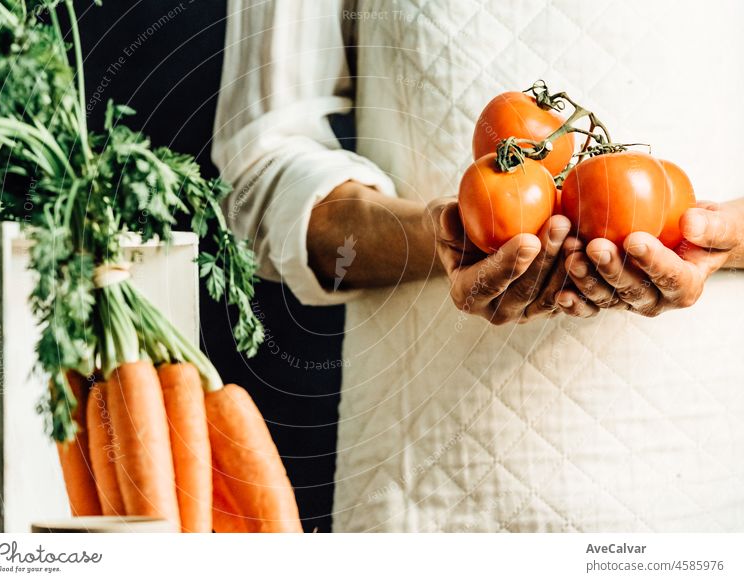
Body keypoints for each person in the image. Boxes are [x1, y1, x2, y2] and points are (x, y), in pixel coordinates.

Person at [212, 0, 744, 532]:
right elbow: (257, 174)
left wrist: (723, 237)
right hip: (428, 491)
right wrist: (446, 236)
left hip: (700, 477)